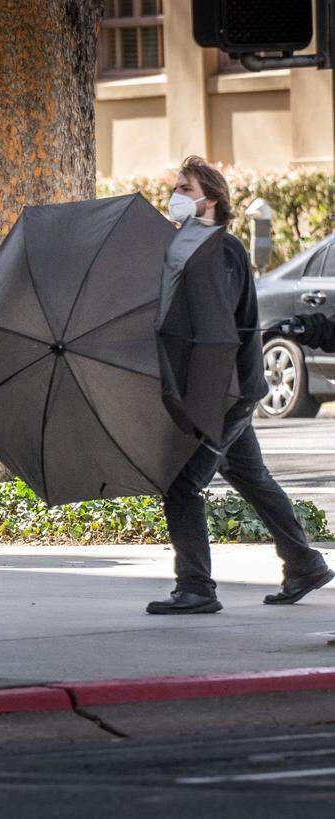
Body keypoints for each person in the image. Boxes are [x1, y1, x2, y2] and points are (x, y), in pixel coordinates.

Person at [147, 156, 333, 615]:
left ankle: (196, 588)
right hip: (228, 389)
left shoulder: (219, 251)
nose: (175, 196)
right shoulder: (194, 249)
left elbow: (216, 327)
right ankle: (304, 563)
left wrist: (201, 401)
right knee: (251, 476)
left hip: (224, 392)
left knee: (182, 486)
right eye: (176, 187)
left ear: (210, 200)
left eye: (185, 189)